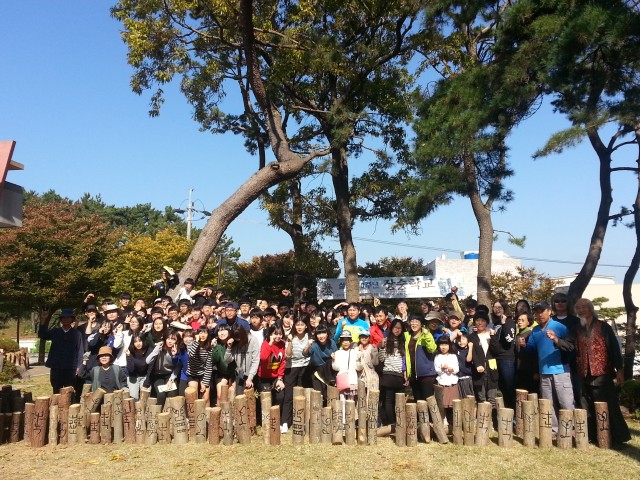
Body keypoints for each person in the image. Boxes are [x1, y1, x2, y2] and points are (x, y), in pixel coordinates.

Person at [574, 298, 630, 446]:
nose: (581, 310)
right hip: (584, 373)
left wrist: (619, 370)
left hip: (602, 373)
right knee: (588, 406)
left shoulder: (603, 326)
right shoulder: (578, 328)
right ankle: (594, 436)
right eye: (578, 308)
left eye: (584, 307)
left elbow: (614, 349)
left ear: (591, 309)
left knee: (609, 406)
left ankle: (618, 438)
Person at [520, 301, 574, 433]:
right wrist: (524, 345)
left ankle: (571, 431)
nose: (540, 314)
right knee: (548, 404)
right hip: (543, 372)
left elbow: (571, 346)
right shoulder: (536, 330)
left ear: (549, 311)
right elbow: (532, 348)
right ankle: (553, 431)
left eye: (542, 311)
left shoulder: (559, 326)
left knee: (565, 402)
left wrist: (556, 339)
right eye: (537, 312)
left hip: (561, 370)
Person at [38, 308, 84, 394]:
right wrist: (43, 320)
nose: (65, 319)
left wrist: (79, 366)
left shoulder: (77, 334)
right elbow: (42, 335)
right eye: (63, 318)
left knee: (69, 391)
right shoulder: (55, 332)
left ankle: (70, 407)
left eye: (68, 317)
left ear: (72, 319)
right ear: (61, 320)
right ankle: (56, 407)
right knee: (56, 389)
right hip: (56, 367)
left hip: (70, 368)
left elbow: (80, 350)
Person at [282, 317, 311, 432]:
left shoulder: (309, 337)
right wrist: (289, 343)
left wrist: (309, 345)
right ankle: (285, 422)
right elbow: (288, 355)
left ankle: (301, 420)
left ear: (306, 326)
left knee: (302, 394)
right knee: (288, 395)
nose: (299, 327)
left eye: (302, 324)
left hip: (305, 367)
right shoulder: (290, 337)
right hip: (291, 367)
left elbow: (307, 353)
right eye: (297, 325)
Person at [377, 319, 407, 426]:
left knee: (399, 400)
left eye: (399, 328)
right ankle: (391, 422)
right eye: (395, 327)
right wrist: (381, 347)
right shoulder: (386, 340)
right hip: (388, 373)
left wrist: (405, 374)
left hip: (399, 374)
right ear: (391, 328)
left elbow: (405, 360)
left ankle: (399, 422)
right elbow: (381, 359)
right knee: (388, 400)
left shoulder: (404, 341)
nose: (397, 330)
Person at [467, 311, 498, 413]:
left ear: (487, 322)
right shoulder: (471, 336)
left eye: (483, 320)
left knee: (492, 398)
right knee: (481, 398)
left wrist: (493, 336)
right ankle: (483, 422)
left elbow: (496, 350)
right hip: (478, 370)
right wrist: (478, 365)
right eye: (477, 320)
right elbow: (474, 353)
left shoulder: (491, 335)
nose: (480, 323)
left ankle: (493, 421)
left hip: (492, 370)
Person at [490, 299, 517, 409]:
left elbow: (508, 340)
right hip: (496, 358)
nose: (497, 309)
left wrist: (504, 323)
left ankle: (513, 412)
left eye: (500, 307)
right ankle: (505, 411)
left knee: (509, 387)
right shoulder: (495, 323)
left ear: (505, 308)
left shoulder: (509, 322)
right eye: (495, 307)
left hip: (507, 359)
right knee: (501, 387)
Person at [404, 314, 437, 401]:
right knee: (418, 401)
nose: (414, 324)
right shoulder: (407, 335)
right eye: (412, 321)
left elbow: (432, 349)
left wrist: (427, 336)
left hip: (426, 374)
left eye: (416, 322)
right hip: (414, 374)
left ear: (421, 324)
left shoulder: (426, 335)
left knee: (428, 401)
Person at [303, 323, 337, 404]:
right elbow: (305, 354)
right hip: (317, 372)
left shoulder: (331, 342)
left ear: (327, 333)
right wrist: (308, 345)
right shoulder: (314, 345)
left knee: (329, 395)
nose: (321, 336)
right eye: (319, 333)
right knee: (319, 395)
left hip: (329, 372)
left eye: (323, 333)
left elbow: (337, 353)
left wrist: (335, 355)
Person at [257, 324, 287, 419]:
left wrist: (280, 378)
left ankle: (276, 419)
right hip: (264, 377)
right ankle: (265, 420)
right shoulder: (265, 343)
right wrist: (270, 343)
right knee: (266, 399)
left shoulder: (282, 344)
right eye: (275, 334)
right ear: (270, 334)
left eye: (280, 334)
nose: (278, 336)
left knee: (280, 396)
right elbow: (264, 358)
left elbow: (282, 362)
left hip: (276, 377)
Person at [434, 336, 459, 424]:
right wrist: (442, 368)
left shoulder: (453, 356)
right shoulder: (437, 356)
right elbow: (437, 370)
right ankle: (443, 420)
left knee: (453, 403)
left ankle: (454, 421)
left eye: (445, 344)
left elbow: (457, 369)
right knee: (442, 403)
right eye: (441, 345)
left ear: (449, 345)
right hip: (442, 382)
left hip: (452, 382)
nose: (443, 347)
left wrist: (452, 369)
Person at [125, 333, 152, 400]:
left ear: (143, 341)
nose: (138, 343)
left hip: (145, 376)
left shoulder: (149, 351)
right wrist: (129, 356)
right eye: (135, 342)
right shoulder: (130, 351)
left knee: (145, 398)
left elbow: (150, 369)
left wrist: (146, 384)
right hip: (133, 377)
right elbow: (131, 369)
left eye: (140, 341)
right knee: (134, 398)